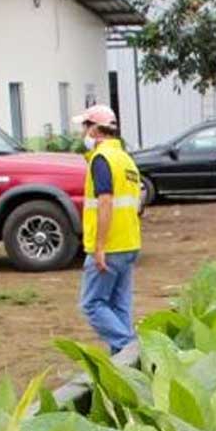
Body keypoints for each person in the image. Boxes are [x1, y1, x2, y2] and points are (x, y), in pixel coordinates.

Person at [73, 105, 143, 354]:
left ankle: (131, 348)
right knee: (120, 306)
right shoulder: (125, 159)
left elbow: (105, 202)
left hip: (110, 246)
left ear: (94, 129)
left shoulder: (102, 159)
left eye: (85, 128)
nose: (83, 134)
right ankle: (126, 367)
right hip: (129, 243)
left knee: (92, 304)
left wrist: (99, 247)